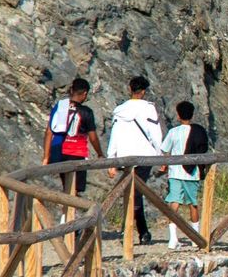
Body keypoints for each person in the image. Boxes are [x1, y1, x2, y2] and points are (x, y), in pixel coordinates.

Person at [106, 76, 165, 245]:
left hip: (125, 156)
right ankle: (138, 232)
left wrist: (112, 159)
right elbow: (155, 134)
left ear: (129, 89)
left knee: (132, 193)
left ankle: (136, 231)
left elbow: (114, 136)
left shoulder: (120, 110)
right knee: (136, 193)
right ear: (144, 91)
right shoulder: (148, 109)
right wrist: (161, 156)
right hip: (144, 155)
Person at [159, 101, 209, 249]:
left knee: (174, 202)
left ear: (178, 115)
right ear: (192, 115)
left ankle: (173, 238)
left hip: (175, 172)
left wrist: (164, 165)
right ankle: (195, 237)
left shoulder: (173, 132)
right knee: (193, 204)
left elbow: (165, 150)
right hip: (192, 173)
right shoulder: (198, 132)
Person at [43, 78, 103, 196]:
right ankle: (67, 214)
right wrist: (100, 153)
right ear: (84, 93)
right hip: (76, 153)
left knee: (66, 186)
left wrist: (46, 156)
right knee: (74, 190)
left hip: (58, 151)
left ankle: (66, 213)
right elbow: (93, 137)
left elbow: (49, 132)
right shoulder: (86, 112)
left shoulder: (61, 106)